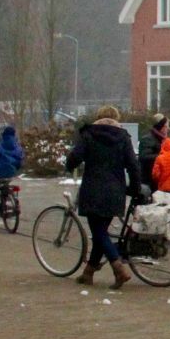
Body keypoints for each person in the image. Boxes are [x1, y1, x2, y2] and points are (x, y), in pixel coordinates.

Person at [65, 106, 141, 289]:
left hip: (93, 189)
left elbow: (74, 158)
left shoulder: (89, 134)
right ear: (116, 118)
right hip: (115, 191)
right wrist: (135, 188)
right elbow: (133, 164)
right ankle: (88, 273)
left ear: (98, 118)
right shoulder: (123, 137)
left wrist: (70, 164)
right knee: (101, 232)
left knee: (98, 232)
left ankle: (119, 269)